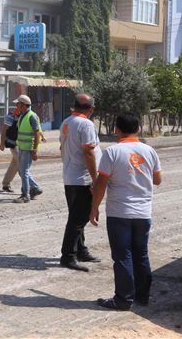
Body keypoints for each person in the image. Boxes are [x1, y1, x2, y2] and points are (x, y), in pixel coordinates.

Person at [89, 112, 162, 310]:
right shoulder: (149, 151)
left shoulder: (112, 152)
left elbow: (101, 183)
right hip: (143, 212)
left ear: (116, 130)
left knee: (122, 256)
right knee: (141, 255)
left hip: (119, 212)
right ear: (138, 129)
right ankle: (142, 296)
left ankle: (123, 299)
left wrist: (93, 208)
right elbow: (157, 179)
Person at [58, 93, 102, 272]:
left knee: (77, 217)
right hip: (82, 179)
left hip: (70, 176)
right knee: (78, 219)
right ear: (91, 110)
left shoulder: (66, 122)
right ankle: (68, 256)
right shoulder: (86, 124)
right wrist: (95, 179)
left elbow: (62, 148)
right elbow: (89, 152)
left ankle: (80, 250)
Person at [12, 95, 44, 203]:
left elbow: (37, 134)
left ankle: (25, 195)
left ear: (23, 105)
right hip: (22, 147)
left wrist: (35, 150)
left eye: (18, 103)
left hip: (28, 149)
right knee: (22, 172)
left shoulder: (32, 116)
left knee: (24, 172)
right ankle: (35, 188)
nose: (16, 105)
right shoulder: (22, 116)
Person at [0, 106, 20, 192]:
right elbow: (4, 129)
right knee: (21, 164)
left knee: (15, 164)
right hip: (13, 144)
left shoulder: (24, 115)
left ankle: (6, 184)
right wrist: (1, 143)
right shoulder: (11, 116)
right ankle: (32, 186)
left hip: (21, 144)